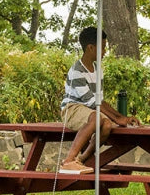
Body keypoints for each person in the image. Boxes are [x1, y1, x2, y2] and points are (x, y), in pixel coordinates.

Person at [60, 27, 140, 173]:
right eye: (102, 47)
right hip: (72, 108)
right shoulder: (77, 71)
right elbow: (92, 102)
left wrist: (123, 118)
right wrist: (119, 119)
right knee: (97, 118)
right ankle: (68, 161)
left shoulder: (98, 70)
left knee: (107, 125)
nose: (104, 51)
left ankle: (81, 159)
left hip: (89, 110)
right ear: (90, 48)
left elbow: (100, 101)